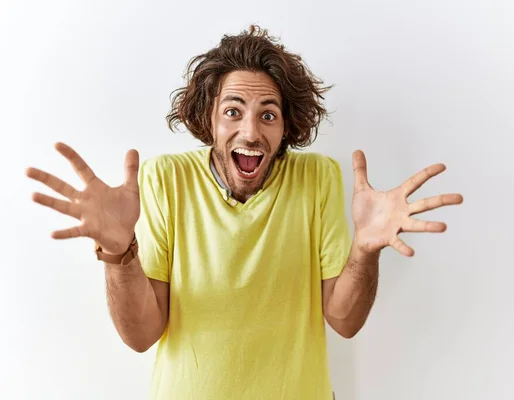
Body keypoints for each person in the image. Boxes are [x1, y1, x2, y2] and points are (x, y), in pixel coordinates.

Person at [25, 25, 463, 400]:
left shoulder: (317, 178)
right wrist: (118, 252)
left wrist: (365, 251)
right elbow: (141, 336)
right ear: (209, 118)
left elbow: (344, 321)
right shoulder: (166, 178)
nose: (250, 132)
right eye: (233, 111)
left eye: (268, 115)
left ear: (287, 127)